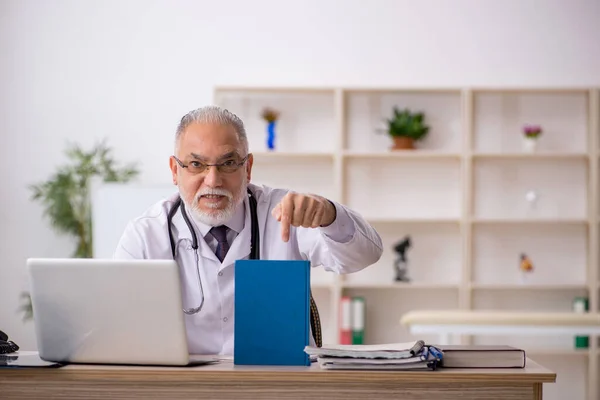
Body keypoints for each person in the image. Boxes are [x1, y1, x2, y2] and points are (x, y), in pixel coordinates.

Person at [113, 106, 383, 355]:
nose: (213, 180)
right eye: (196, 165)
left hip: (278, 387)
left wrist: (329, 215)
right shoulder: (146, 234)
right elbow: (116, 326)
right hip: (185, 389)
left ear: (248, 167)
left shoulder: (285, 211)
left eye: (228, 163)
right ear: (175, 170)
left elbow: (365, 255)